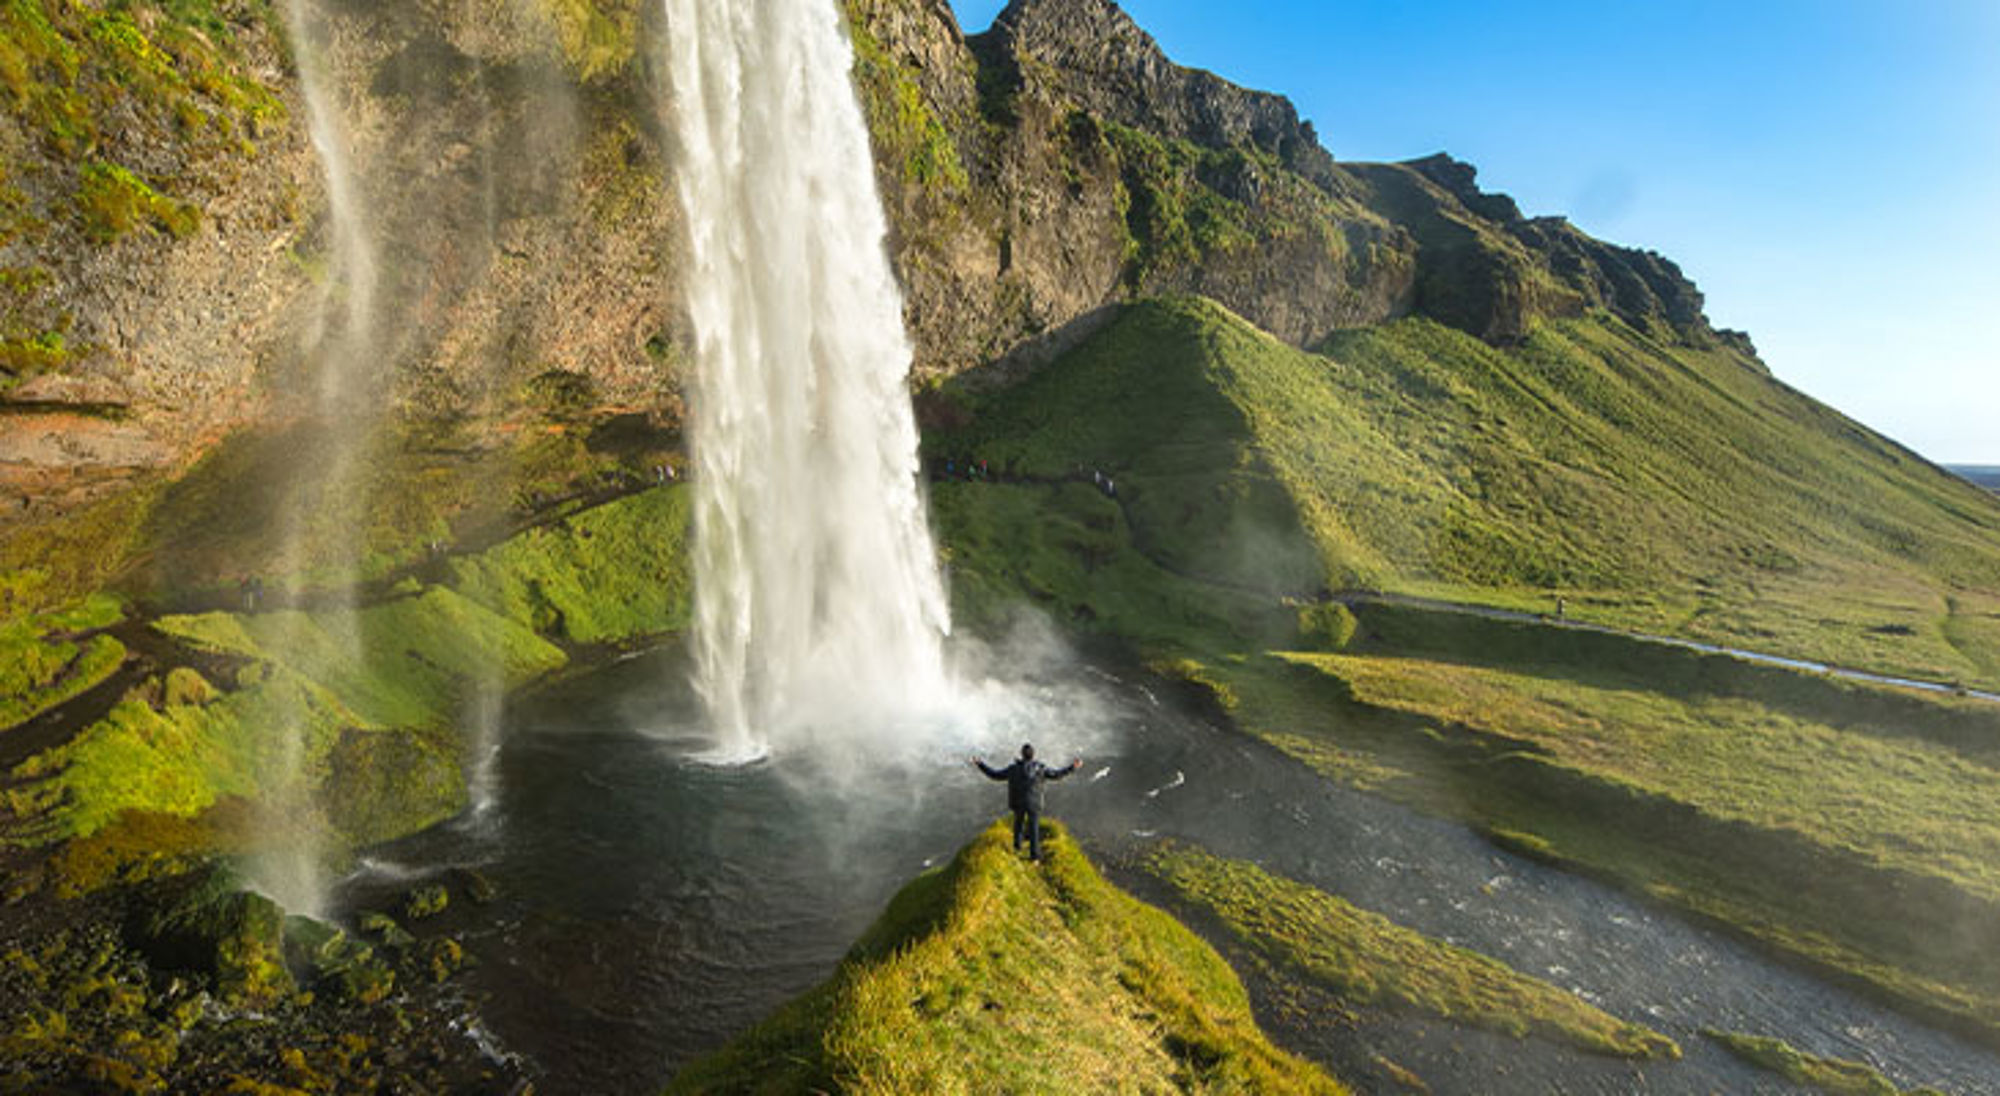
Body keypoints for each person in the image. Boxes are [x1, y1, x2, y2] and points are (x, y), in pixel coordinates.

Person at [971, 743, 1082, 861]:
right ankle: (1034, 857)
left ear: (1022, 755)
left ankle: (1017, 848)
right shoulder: (1040, 768)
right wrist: (1073, 767)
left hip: (1018, 802)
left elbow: (994, 775)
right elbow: (1057, 774)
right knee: (1034, 829)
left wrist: (980, 764)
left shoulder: (1013, 769)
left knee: (1018, 825)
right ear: (1033, 755)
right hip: (1034, 803)